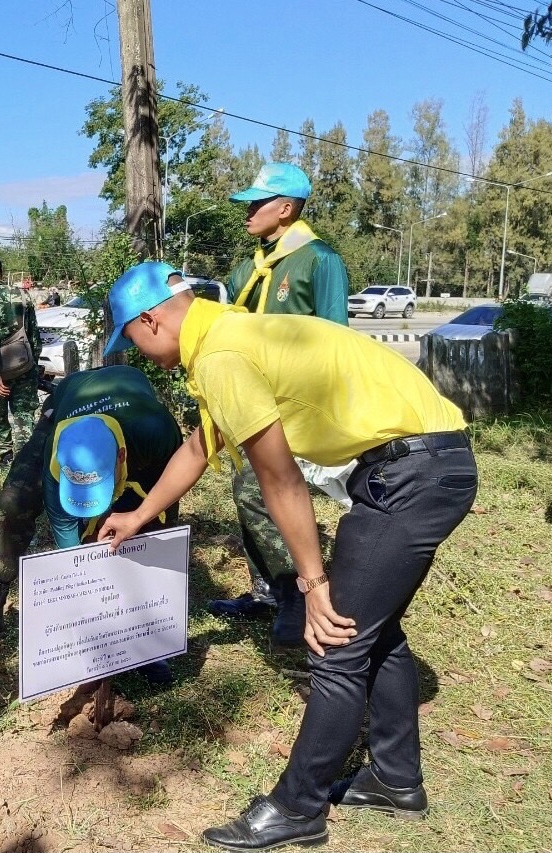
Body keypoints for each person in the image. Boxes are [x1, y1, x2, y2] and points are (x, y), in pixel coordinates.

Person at [98, 262, 474, 850]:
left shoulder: (221, 355)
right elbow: (200, 446)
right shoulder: (229, 333)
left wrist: (312, 580)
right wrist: (139, 516)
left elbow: (280, 480)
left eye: (135, 341)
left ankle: (298, 807)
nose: (141, 353)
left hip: (412, 474)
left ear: (150, 320)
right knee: (373, 628)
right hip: (422, 466)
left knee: (334, 641)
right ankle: (397, 780)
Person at [0, 356, 183, 686]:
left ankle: (142, 637)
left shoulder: (157, 431)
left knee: (143, 525)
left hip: (133, 419)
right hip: (66, 408)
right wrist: (86, 597)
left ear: (123, 457)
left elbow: (164, 514)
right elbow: (69, 543)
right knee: (15, 502)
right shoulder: (58, 452)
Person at [209, 163, 351, 648]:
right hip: (249, 399)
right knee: (244, 488)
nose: (247, 213)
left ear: (286, 209)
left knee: (259, 490)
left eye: (257, 204)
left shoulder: (319, 260)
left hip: (294, 404)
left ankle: (295, 594)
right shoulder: (248, 269)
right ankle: (266, 592)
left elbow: (335, 340)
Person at [0, 253, 41, 470]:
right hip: (25, 364)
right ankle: (25, 464)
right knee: (24, 415)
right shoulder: (24, 295)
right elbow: (34, 336)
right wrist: (32, 365)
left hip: (0, 371)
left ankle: (6, 460)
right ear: (0, 273)